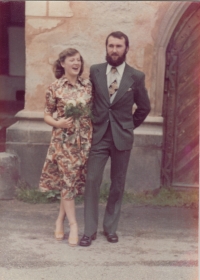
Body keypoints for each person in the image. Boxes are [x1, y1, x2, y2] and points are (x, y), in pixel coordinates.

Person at [79, 31, 151, 246]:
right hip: (99, 136)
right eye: (111, 45)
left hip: (122, 138)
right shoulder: (95, 71)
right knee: (91, 180)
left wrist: (128, 126)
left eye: (119, 46)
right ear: (106, 47)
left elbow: (144, 107)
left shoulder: (135, 77)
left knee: (117, 184)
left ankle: (110, 228)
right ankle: (89, 230)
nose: (114, 50)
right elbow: (89, 101)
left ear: (126, 48)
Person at [39, 48, 93, 247]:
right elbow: (46, 114)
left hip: (85, 141)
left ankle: (59, 219)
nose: (76, 63)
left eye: (78, 60)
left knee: (70, 183)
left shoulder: (88, 86)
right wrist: (57, 123)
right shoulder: (54, 87)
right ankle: (74, 225)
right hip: (64, 142)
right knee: (67, 181)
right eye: (72, 60)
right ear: (62, 64)